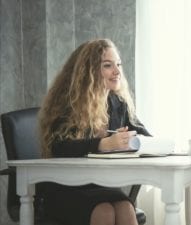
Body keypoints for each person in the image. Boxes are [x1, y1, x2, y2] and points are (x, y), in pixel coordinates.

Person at [38, 39, 151, 225]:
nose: (117, 72)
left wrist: (133, 140)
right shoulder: (69, 104)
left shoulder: (118, 104)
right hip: (65, 188)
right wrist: (103, 144)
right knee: (104, 211)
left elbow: (145, 137)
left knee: (125, 208)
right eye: (108, 65)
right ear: (88, 71)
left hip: (100, 185)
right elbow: (58, 148)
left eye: (118, 64)